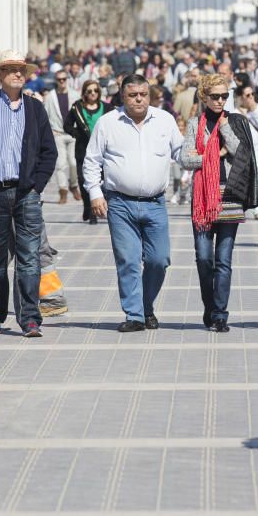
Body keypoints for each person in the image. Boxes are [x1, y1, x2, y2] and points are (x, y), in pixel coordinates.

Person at [82, 73, 184, 332]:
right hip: (120, 204)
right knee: (128, 260)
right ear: (122, 96)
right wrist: (95, 193)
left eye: (143, 94)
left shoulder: (164, 120)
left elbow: (181, 152)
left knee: (159, 260)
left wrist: (200, 153)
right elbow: (92, 160)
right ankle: (136, 315)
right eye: (132, 95)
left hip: (155, 203)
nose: (139, 99)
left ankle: (145, 304)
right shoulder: (108, 123)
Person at [0, 50, 58, 338]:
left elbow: (48, 151)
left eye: (22, 69)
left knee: (29, 258)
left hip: (25, 193)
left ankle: (30, 318)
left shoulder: (35, 109)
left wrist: (36, 185)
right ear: (1, 75)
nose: (18, 73)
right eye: (11, 69)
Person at [179, 74, 258, 332]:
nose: (220, 100)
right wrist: (216, 154)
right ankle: (209, 306)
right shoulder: (194, 124)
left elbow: (240, 152)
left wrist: (222, 133)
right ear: (204, 97)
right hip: (203, 198)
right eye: (215, 96)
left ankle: (220, 314)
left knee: (223, 260)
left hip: (229, 196)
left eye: (225, 96)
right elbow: (185, 160)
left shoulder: (234, 121)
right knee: (204, 258)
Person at [65, 80, 110, 224]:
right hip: (82, 150)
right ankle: (87, 206)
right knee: (83, 179)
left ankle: (96, 209)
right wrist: (76, 133)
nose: (93, 94)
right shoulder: (77, 107)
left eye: (95, 91)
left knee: (101, 180)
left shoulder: (107, 107)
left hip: (103, 151)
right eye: (89, 91)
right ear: (84, 92)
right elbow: (67, 125)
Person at [44, 69, 82, 205]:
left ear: (67, 79)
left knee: (73, 162)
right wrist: (50, 131)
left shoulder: (75, 95)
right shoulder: (50, 97)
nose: (62, 82)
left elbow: (80, 114)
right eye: (59, 79)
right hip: (58, 133)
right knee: (60, 164)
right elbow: (45, 115)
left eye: (64, 79)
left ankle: (73, 185)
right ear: (56, 81)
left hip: (73, 133)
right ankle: (63, 191)